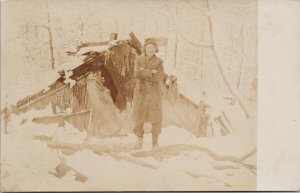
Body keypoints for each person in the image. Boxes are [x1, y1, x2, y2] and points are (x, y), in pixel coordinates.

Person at [132, 38, 165, 149]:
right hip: (141, 92)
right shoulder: (138, 59)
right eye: (148, 47)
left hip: (154, 92)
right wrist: (151, 72)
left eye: (152, 48)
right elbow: (136, 74)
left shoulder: (159, 62)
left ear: (155, 49)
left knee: (156, 116)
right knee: (138, 115)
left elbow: (159, 76)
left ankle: (155, 142)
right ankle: (139, 141)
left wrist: (144, 72)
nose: (150, 49)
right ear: (144, 48)